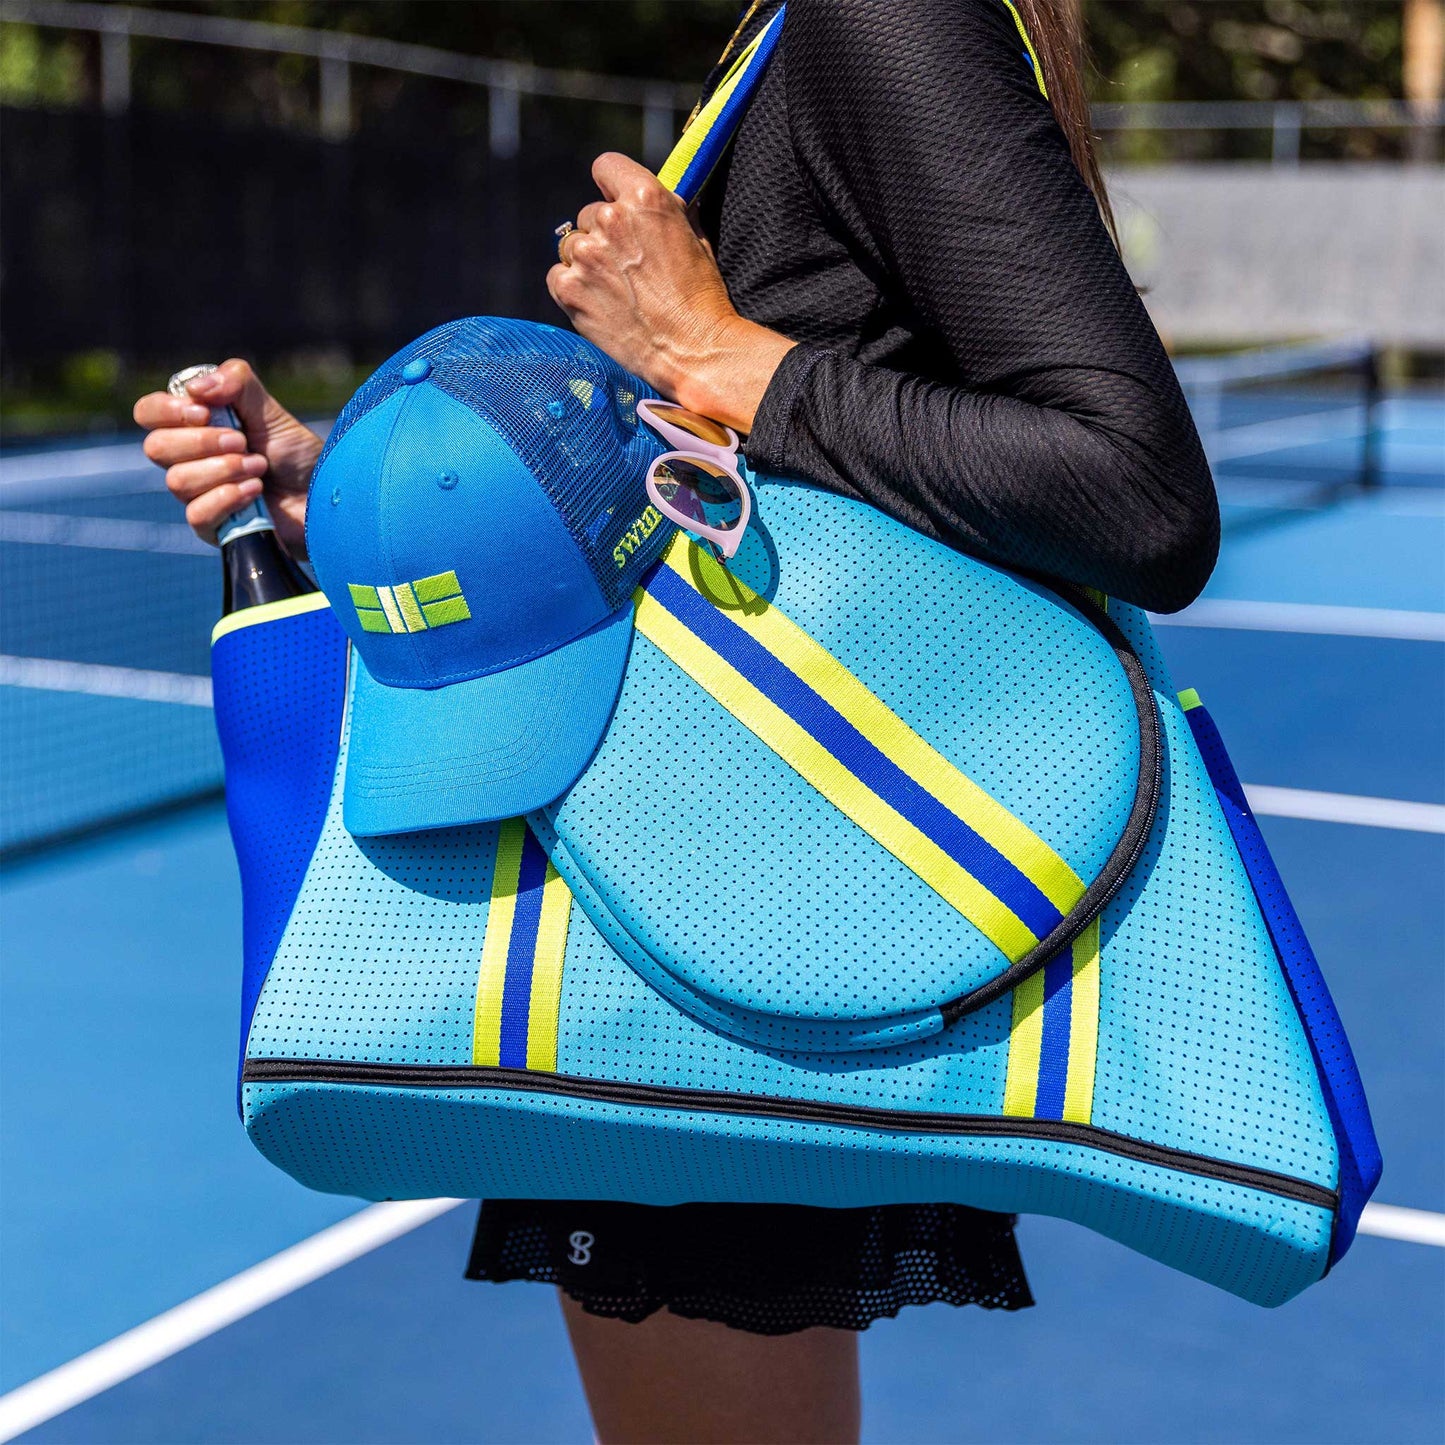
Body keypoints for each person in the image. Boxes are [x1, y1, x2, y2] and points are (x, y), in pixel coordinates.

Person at [135, 2, 1217, 1440]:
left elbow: (1135, 491)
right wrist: (347, 491)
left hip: (730, 909)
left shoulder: (878, 16)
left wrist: (718, 349)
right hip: (726, 887)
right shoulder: (805, 29)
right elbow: (736, 491)